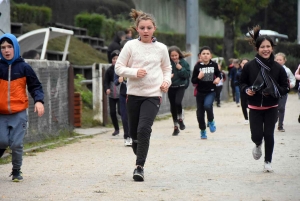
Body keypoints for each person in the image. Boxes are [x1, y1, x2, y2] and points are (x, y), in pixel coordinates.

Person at [115, 9, 171, 182]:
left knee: (144, 129)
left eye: (149, 27)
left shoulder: (161, 48)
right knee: (134, 134)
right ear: (137, 29)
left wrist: (166, 82)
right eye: (142, 28)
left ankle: (139, 167)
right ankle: (139, 149)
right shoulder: (130, 46)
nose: (146, 31)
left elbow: (166, 69)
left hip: (153, 94)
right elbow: (119, 67)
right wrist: (134, 72)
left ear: (154, 28)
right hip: (133, 94)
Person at [240, 25, 289, 173]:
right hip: (254, 107)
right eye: (262, 47)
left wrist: (274, 92)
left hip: (271, 107)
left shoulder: (278, 68)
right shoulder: (249, 66)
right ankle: (257, 143)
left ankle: (268, 161)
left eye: (268, 46)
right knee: (256, 135)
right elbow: (242, 83)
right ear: (257, 49)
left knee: (269, 134)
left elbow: (285, 87)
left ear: (272, 48)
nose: (266, 49)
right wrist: (247, 90)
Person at [0, 33, 45, 181]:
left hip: (19, 112)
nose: (6, 50)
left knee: (16, 143)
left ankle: (16, 171)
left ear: (16, 48)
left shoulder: (24, 67)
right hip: (1, 113)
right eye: (3, 47)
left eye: (9, 47)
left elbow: (35, 86)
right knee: (3, 141)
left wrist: (39, 101)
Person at [191, 46, 221, 140]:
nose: (205, 55)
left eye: (207, 54)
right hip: (200, 93)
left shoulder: (214, 65)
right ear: (200, 56)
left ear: (210, 55)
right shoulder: (197, 66)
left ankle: (211, 121)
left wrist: (218, 78)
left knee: (208, 105)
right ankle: (203, 130)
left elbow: (219, 74)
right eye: (203, 54)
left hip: (211, 91)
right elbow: (193, 81)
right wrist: (199, 77)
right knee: (200, 114)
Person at [168, 46, 191, 136]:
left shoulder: (183, 63)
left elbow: (187, 75)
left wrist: (180, 68)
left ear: (179, 55)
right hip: (171, 86)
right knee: (172, 107)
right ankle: (175, 126)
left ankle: (180, 118)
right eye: (172, 56)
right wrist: (168, 77)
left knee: (178, 102)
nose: (174, 57)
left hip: (180, 86)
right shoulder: (167, 63)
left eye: (176, 55)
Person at [114, 39, 131, 146]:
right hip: (124, 94)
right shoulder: (120, 63)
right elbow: (115, 80)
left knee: (135, 117)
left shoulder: (137, 61)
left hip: (136, 94)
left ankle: (135, 136)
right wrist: (118, 80)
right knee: (124, 116)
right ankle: (127, 137)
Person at [274, 52, 296, 132]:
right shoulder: (271, 69)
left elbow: (292, 79)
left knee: (281, 108)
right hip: (273, 92)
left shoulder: (287, 70)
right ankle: (274, 120)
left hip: (283, 91)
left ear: (284, 61)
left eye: (280, 60)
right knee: (274, 107)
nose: (278, 61)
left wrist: (291, 85)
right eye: (277, 59)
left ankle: (280, 125)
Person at [104, 50, 121, 136]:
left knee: (121, 111)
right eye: (114, 59)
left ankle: (127, 126)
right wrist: (107, 89)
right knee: (112, 112)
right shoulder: (109, 70)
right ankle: (116, 129)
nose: (115, 60)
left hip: (120, 94)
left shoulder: (122, 69)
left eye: (117, 58)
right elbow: (106, 82)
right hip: (112, 94)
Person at [236, 58, 250, 124]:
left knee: (250, 104)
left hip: (251, 90)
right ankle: (246, 118)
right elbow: (235, 81)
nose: (244, 64)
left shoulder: (252, 72)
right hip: (242, 90)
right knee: (243, 104)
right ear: (240, 64)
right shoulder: (238, 73)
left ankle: (252, 117)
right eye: (243, 63)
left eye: (246, 63)